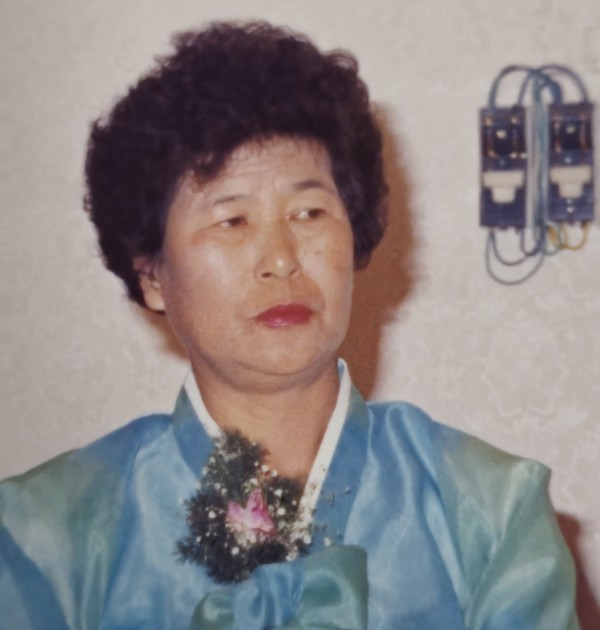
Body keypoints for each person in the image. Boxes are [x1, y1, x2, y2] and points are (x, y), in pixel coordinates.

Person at [0, 21, 578, 629]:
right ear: (152, 276)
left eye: (309, 212)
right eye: (232, 220)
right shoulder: (49, 534)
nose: (280, 260)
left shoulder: (491, 509)